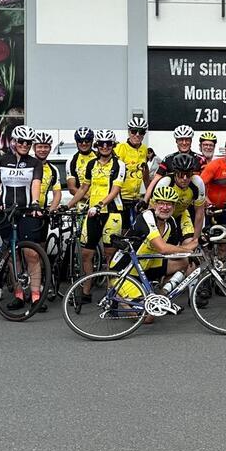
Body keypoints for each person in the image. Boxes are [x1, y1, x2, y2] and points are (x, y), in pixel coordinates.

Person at [0, 125, 49, 312]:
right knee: (13, 255)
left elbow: (36, 183)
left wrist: (35, 202)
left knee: (32, 254)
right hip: (6, 213)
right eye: (21, 141)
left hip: (27, 212)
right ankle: (18, 294)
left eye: (28, 142)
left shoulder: (35, 163)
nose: (25, 145)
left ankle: (35, 295)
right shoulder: (2, 160)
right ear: (14, 142)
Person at [127, 184, 198, 313]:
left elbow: (173, 250)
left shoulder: (170, 222)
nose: (165, 207)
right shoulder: (147, 217)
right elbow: (163, 248)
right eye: (161, 203)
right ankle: (120, 300)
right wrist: (189, 250)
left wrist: (191, 250)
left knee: (183, 262)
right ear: (154, 204)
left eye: (169, 204)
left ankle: (162, 296)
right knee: (148, 316)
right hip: (127, 270)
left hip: (147, 266)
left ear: (174, 207)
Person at [75, 129, 126, 296]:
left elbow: (115, 190)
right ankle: (86, 291)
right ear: (97, 145)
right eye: (101, 144)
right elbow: (83, 188)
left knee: (110, 255)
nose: (105, 147)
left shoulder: (119, 164)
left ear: (113, 145)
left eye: (108, 144)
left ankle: (111, 293)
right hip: (93, 213)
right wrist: (67, 206)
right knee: (86, 253)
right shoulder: (91, 164)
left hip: (112, 213)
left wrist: (99, 205)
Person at [147, 151, 207, 234]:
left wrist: (196, 238)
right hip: (163, 217)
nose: (185, 178)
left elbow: (199, 212)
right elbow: (152, 209)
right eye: (181, 174)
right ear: (175, 173)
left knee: (189, 243)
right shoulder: (165, 182)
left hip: (182, 214)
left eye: (188, 174)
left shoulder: (197, 183)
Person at [115, 114, 155, 228]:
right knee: (123, 228)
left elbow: (145, 174)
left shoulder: (144, 150)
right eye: (134, 131)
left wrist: (149, 193)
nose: (137, 135)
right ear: (129, 132)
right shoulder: (120, 148)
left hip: (136, 197)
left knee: (136, 228)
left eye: (141, 132)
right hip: (121, 197)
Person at [66, 127, 96, 197]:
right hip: (83, 201)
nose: (84, 143)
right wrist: (89, 199)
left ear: (92, 141)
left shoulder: (99, 156)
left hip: (102, 200)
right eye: (80, 141)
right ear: (76, 142)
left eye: (87, 140)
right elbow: (72, 188)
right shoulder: (71, 161)